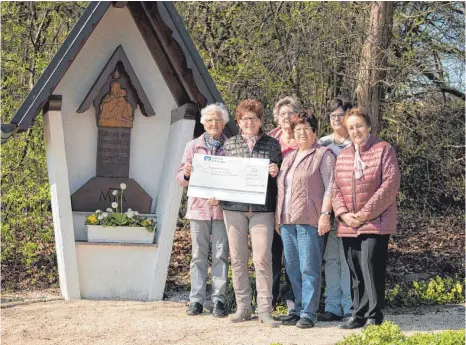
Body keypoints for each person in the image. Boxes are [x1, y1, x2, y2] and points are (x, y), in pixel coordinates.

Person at [332, 108, 401, 329]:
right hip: (349, 223)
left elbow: (390, 186)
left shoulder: (383, 150)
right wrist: (343, 214)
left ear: (368, 126)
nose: (355, 131)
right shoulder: (343, 156)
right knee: (355, 271)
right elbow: (335, 189)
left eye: (359, 125)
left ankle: (374, 315)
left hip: (375, 222)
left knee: (370, 267)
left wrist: (364, 214)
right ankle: (358, 314)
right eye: (351, 127)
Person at [222, 99, 282, 327]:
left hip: (262, 209)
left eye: (254, 118)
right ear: (238, 121)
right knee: (238, 260)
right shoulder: (229, 145)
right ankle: (243, 307)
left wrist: (276, 170)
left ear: (260, 121)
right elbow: (223, 175)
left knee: (262, 259)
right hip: (233, 208)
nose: (249, 122)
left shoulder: (272, 144)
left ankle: (265, 310)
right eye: (245, 118)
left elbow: (280, 174)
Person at [276, 112, 335, 328]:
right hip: (287, 220)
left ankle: (309, 313)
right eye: (298, 129)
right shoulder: (289, 158)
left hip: (310, 219)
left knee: (309, 267)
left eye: (306, 129)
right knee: (292, 267)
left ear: (315, 132)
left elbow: (331, 186)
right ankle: (298, 309)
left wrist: (324, 215)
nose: (301, 132)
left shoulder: (323, 154)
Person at [176, 103, 230, 318]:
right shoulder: (192, 146)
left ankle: (219, 300)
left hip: (222, 210)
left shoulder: (232, 146)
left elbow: (235, 179)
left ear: (224, 122)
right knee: (198, 256)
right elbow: (180, 178)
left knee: (220, 255)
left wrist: (222, 197)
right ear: (203, 123)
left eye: (217, 119)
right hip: (198, 209)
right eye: (209, 120)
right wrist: (187, 174)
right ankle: (196, 300)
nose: (213, 123)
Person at [317, 98, 353, 322]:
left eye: (340, 115)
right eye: (332, 116)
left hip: (350, 209)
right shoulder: (322, 143)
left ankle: (350, 305)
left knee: (347, 258)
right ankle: (332, 305)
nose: (336, 119)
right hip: (328, 209)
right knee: (331, 259)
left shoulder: (356, 142)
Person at [268, 97, 300, 318]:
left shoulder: (304, 137)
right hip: (270, 204)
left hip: (295, 206)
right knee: (271, 254)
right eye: (282, 115)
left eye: (290, 113)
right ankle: (268, 300)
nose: (286, 118)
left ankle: (292, 300)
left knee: (293, 256)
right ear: (276, 119)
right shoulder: (269, 139)